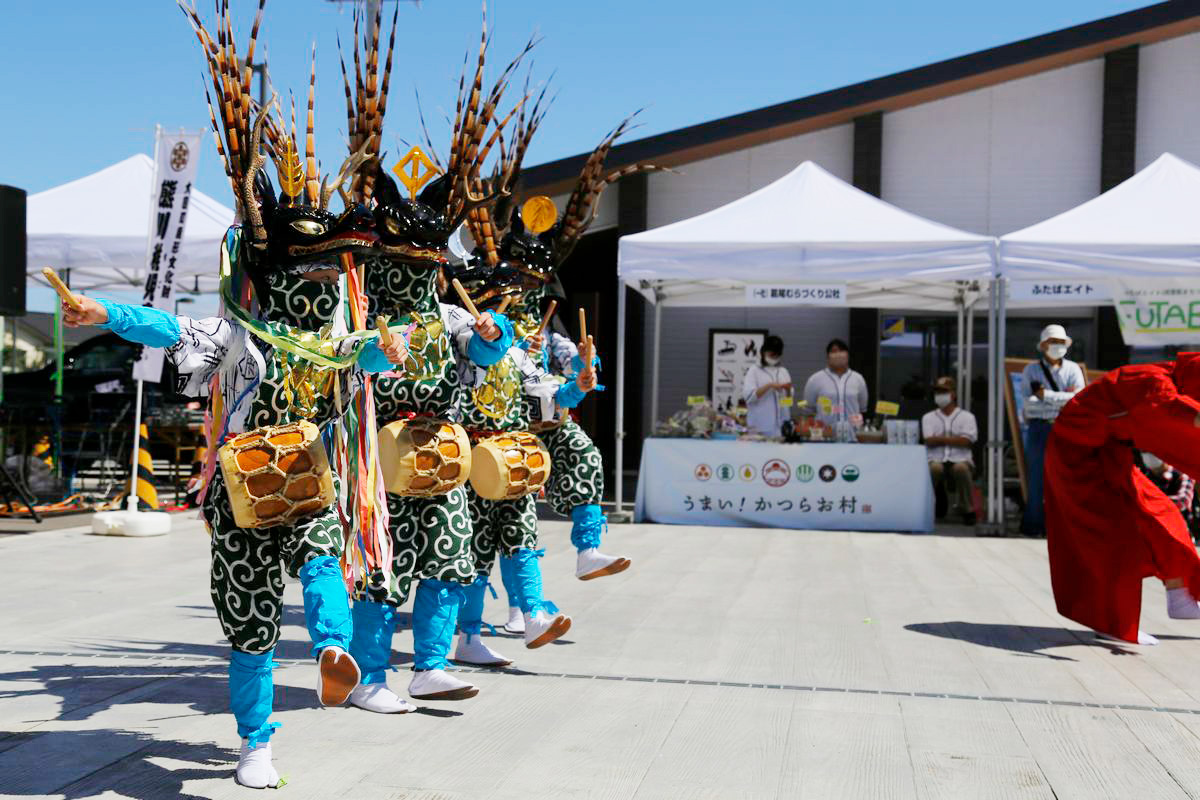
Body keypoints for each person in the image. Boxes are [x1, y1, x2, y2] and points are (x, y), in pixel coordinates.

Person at [1044, 354, 1200, 646]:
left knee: (1162, 513)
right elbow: (1162, 406)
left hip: (1108, 452)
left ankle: (1181, 594)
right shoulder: (1152, 379)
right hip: (1075, 453)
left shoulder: (1169, 380)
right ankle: (1113, 623)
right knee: (1113, 538)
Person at [1020, 324, 1086, 537]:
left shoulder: (1073, 369)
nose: (1057, 346)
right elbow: (1028, 405)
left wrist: (1046, 396)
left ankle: (1064, 528)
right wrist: (1061, 401)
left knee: (1066, 478)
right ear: (1043, 345)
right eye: (1053, 342)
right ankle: (1033, 526)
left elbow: (1078, 400)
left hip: (1066, 428)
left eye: (1061, 342)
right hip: (1039, 428)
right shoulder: (1031, 370)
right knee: (1037, 478)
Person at [921, 376, 978, 525]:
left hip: (961, 459)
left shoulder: (967, 417)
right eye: (938, 392)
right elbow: (929, 440)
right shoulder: (928, 417)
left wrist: (939, 438)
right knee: (934, 468)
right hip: (936, 459)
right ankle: (927, 507)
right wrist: (954, 438)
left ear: (953, 394)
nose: (940, 395)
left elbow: (966, 442)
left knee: (960, 468)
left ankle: (968, 509)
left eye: (944, 391)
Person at [803, 338, 869, 428]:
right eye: (834, 351)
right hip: (825, 436)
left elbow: (862, 408)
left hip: (853, 436)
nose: (838, 354)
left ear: (847, 355)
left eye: (841, 351)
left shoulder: (858, 379)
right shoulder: (815, 379)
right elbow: (808, 411)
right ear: (828, 357)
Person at [742, 335, 792, 437]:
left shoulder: (783, 372)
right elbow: (749, 397)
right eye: (772, 354)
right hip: (759, 428)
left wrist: (788, 391)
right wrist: (769, 386)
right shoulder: (754, 371)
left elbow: (788, 402)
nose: (774, 358)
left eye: (777, 355)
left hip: (781, 427)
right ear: (763, 352)